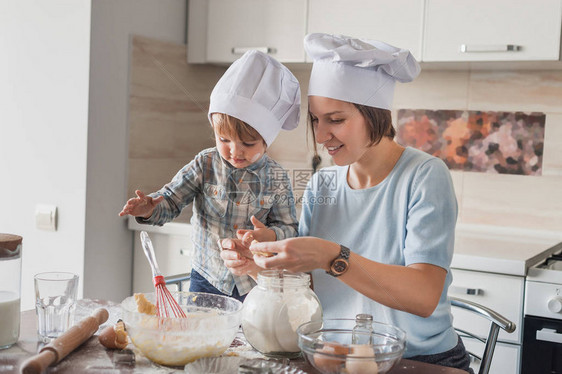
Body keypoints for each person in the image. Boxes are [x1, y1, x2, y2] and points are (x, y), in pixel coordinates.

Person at [220, 34, 472, 372]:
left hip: (417, 360)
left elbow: (423, 296)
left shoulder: (425, 175)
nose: (321, 136)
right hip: (335, 355)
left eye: (335, 120)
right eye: (315, 119)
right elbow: (314, 288)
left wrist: (329, 254)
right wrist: (266, 262)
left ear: (375, 115)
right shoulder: (323, 183)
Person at [119, 50, 300, 302]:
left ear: (266, 141)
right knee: (203, 338)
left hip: (253, 284)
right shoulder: (205, 163)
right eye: (224, 139)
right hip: (206, 279)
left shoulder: (277, 178)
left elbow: (290, 229)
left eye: (247, 143)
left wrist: (267, 236)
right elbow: (170, 201)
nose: (234, 151)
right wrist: (148, 208)